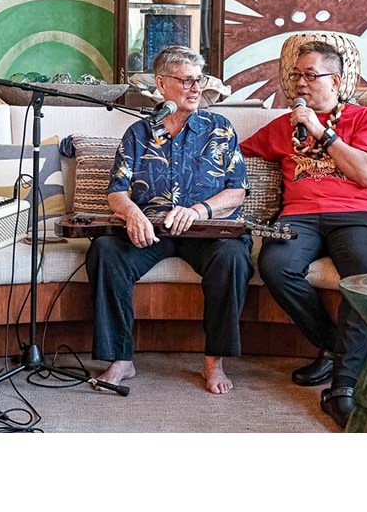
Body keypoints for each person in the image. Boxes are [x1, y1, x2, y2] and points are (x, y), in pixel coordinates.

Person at [86, 46, 252, 395]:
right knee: (105, 250)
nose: (196, 88)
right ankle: (121, 358)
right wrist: (132, 213)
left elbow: (237, 191)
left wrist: (198, 210)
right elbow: (116, 191)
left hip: (207, 231)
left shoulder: (219, 129)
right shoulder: (139, 133)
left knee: (233, 256)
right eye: (186, 80)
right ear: (161, 84)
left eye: (199, 80)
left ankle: (214, 361)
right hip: (152, 230)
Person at [240, 41, 367, 428]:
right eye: (296, 76)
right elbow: (236, 156)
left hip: (356, 216)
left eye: (310, 75)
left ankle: (344, 386)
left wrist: (321, 131)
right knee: (275, 265)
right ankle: (337, 347)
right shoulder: (282, 126)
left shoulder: (363, 118)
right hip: (299, 216)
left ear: (335, 81)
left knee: (362, 274)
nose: (300, 84)